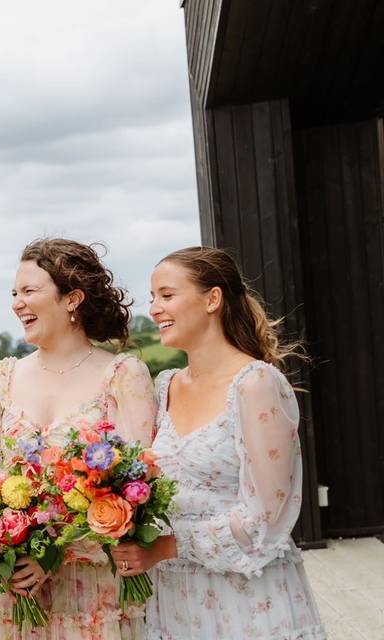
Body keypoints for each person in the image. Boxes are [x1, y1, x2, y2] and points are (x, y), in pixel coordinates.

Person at [111, 246, 326, 639]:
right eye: (153, 297)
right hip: (175, 601)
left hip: (247, 599)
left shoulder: (256, 384)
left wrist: (168, 547)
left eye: (167, 295)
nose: (155, 308)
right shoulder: (165, 387)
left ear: (213, 298)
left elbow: (267, 517)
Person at [0, 238, 156, 639]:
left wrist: (54, 554)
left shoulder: (123, 377)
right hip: (17, 595)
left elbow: (140, 488)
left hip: (92, 592)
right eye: (14, 293)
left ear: (72, 299)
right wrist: (7, 549)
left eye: (30, 291)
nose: (17, 303)